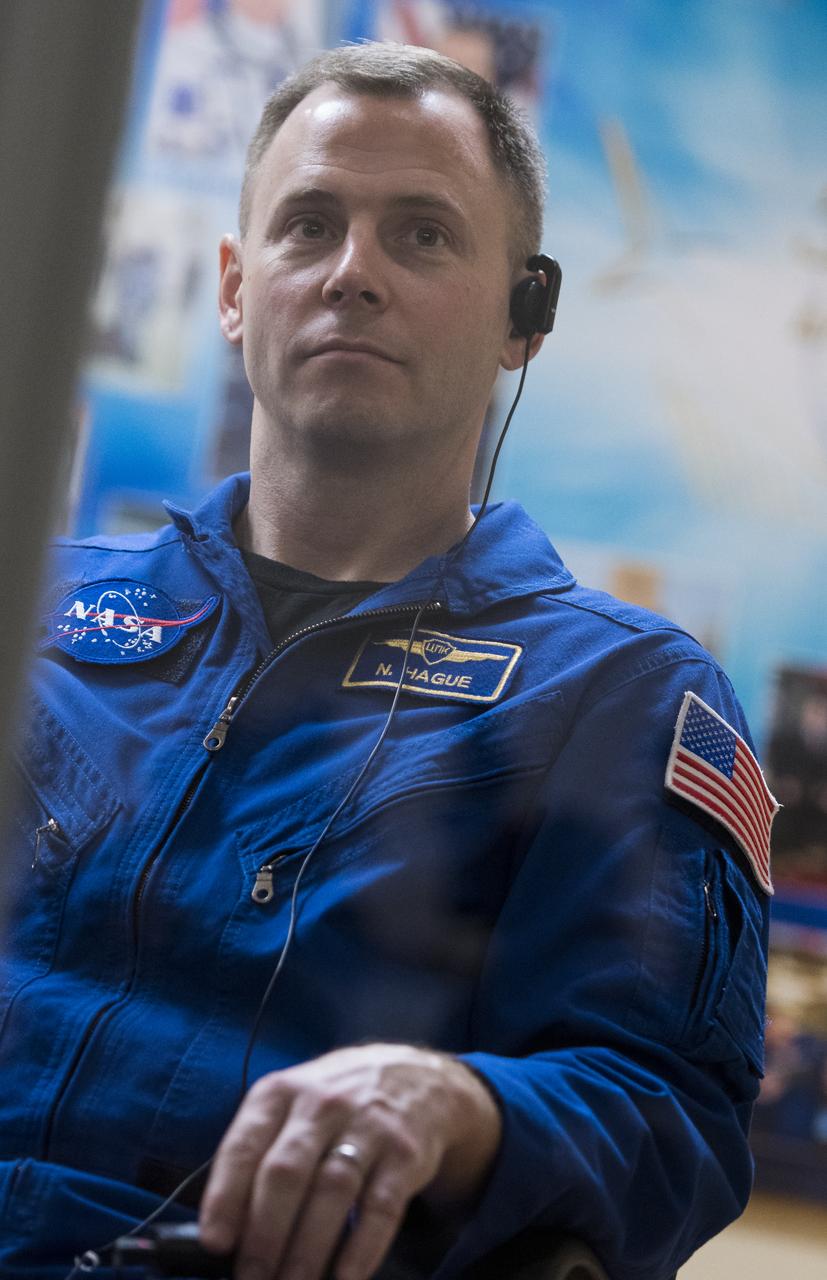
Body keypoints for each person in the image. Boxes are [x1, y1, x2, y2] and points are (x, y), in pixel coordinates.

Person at [0, 42, 776, 1280]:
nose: (351, 273)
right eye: (309, 224)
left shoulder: (620, 695)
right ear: (234, 288)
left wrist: (460, 1106)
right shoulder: (36, 602)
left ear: (523, 317)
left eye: (420, 235)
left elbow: (667, 1113)